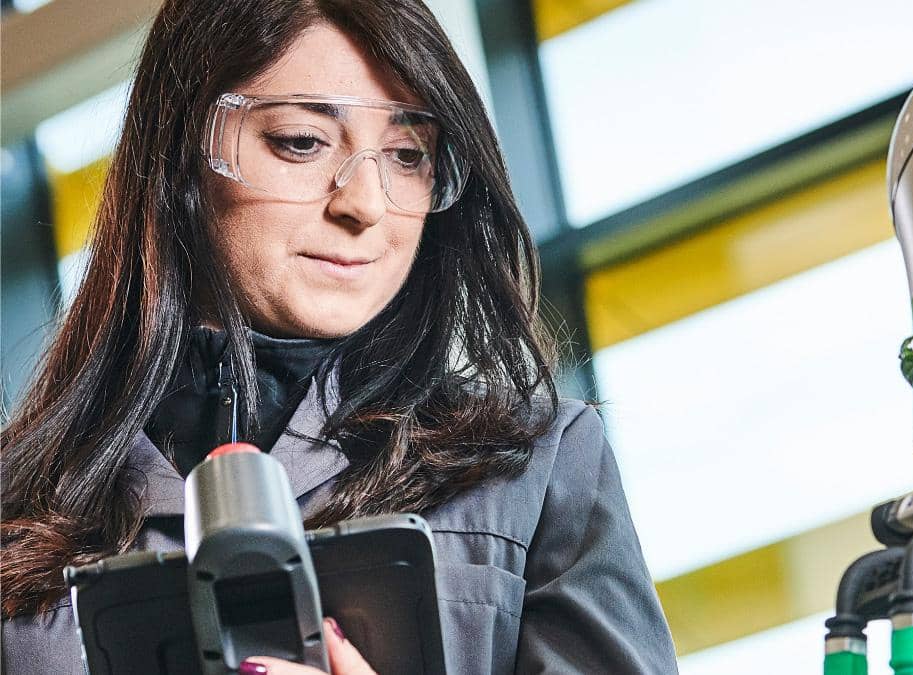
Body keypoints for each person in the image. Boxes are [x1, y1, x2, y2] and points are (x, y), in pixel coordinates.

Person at [0, 1, 678, 673]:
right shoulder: (14, 507)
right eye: (302, 141)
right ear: (181, 154)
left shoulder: (536, 467)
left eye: (408, 155)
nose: (366, 203)